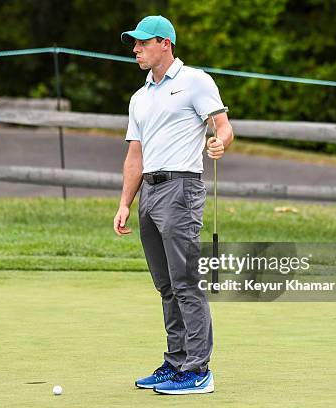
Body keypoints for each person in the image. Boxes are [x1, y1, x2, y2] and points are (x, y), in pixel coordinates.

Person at [113, 15, 233, 394]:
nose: (135, 49)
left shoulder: (195, 81)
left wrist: (220, 142)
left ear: (165, 43)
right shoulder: (140, 96)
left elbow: (222, 125)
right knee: (166, 285)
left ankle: (198, 370)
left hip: (181, 189)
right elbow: (135, 155)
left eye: (142, 43)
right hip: (149, 191)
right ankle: (176, 360)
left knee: (185, 283)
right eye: (134, 43)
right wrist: (124, 203)